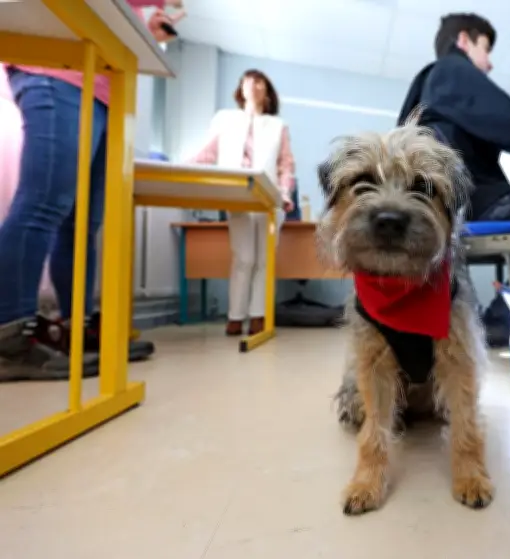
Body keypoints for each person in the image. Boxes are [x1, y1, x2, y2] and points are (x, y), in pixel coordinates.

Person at [0, 1, 185, 381]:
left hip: (104, 86)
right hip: (60, 69)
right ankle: (9, 337)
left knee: (81, 224)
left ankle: (76, 329)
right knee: (42, 205)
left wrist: (149, 27)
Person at [396, 12, 510, 298]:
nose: (489, 63)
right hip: (480, 204)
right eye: (486, 49)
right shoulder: (452, 70)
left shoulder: (423, 93)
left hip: (453, 211)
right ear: (464, 40)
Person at [191, 69, 296, 337]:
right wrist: (184, 171)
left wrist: (285, 192)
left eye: (260, 80)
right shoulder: (225, 119)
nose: (253, 84)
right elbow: (207, 152)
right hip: (237, 194)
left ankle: (258, 316)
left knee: (264, 259)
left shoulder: (277, 125)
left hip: (269, 197)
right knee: (243, 256)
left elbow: (286, 165)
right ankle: (235, 316)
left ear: (267, 91)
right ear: (241, 88)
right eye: (248, 79)